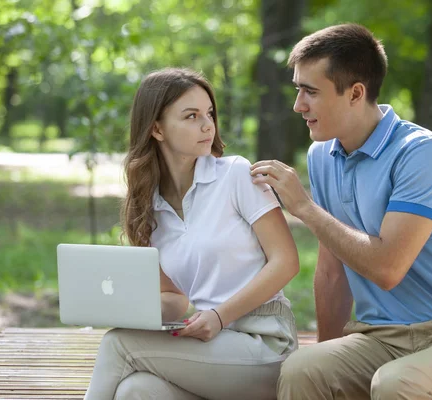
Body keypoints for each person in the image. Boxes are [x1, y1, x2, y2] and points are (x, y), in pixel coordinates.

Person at [250, 23, 432, 400]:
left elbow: (388, 268)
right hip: (382, 339)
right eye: (298, 90)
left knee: (396, 384)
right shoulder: (322, 156)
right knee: (303, 370)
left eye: (310, 91)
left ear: (355, 93)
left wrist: (304, 208)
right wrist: (330, 355)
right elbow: (331, 271)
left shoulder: (419, 153)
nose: (298, 105)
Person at [84, 67, 299, 400]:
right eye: (191, 116)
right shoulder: (148, 207)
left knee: (118, 344)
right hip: (208, 346)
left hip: (264, 342)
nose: (207, 125)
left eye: (209, 113)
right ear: (156, 128)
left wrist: (219, 315)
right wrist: (129, 311)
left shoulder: (236, 175)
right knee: (135, 390)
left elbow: (286, 262)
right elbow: (174, 299)